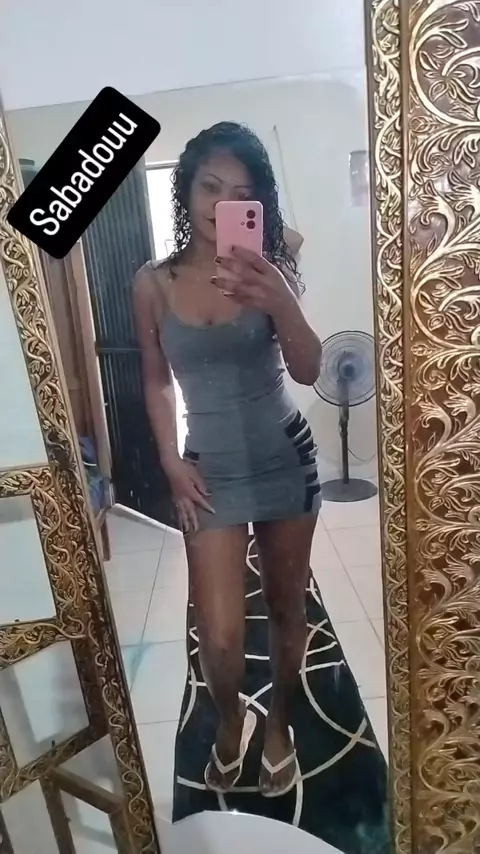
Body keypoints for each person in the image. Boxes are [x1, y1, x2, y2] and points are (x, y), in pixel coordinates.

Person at [133, 122, 322, 798]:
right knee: (217, 633)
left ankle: (281, 726)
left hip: (284, 457)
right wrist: (167, 457)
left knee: (287, 607)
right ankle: (232, 715)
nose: (223, 204)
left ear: (258, 203)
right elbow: (156, 378)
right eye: (211, 187)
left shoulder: (273, 266)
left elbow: (309, 369)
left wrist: (280, 298)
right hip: (208, 469)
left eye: (241, 193)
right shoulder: (153, 283)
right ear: (186, 191)